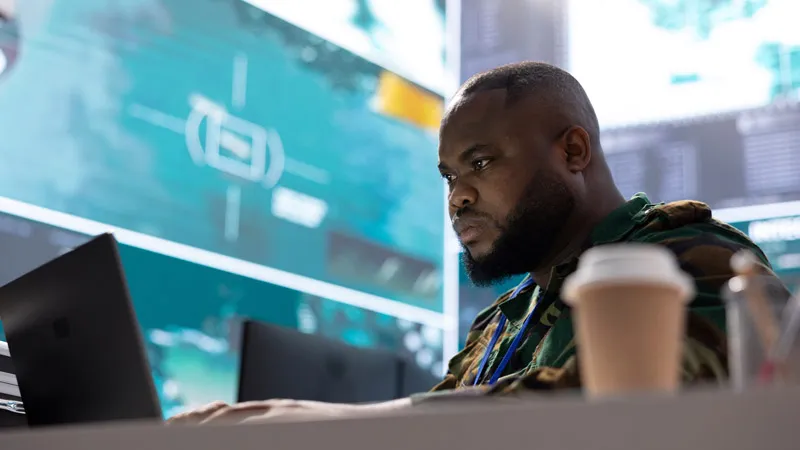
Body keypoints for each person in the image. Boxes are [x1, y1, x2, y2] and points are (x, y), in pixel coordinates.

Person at [168, 61, 779, 425]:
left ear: (572, 152)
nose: (457, 197)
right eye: (449, 177)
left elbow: (631, 400)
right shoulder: (502, 322)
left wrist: (320, 421)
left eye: (480, 163)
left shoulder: (692, 256)